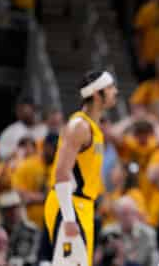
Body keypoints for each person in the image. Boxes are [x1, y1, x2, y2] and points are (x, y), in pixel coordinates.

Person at [43, 71, 118, 266]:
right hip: (69, 205)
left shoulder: (94, 127)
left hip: (83, 206)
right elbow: (61, 173)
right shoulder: (79, 126)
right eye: (110, 88)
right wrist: (68, 218)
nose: (115, 91)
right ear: (95, 94)